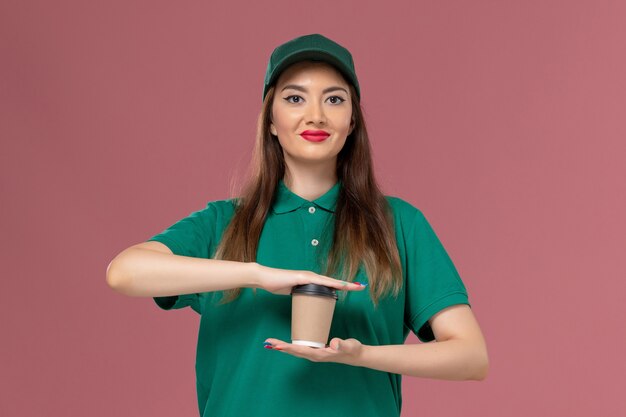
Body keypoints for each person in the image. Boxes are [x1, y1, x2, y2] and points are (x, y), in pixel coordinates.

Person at [106, 33, 489, 417]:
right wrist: (257, 275)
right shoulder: (223, 223)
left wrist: (362, 355)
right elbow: (124, 272)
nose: (316, 115)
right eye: (294, 98)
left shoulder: (398, 223)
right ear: (271, 120)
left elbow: (471, 357)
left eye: (334, 99)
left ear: (352, 120)